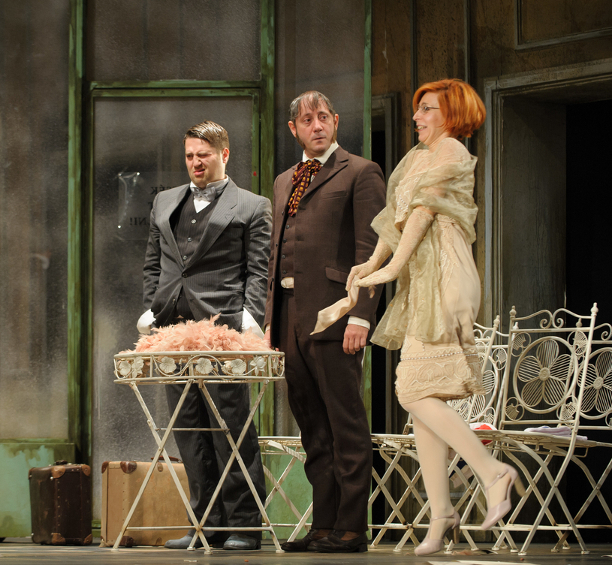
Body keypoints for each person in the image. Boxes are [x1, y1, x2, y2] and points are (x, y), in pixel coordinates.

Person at [349, 79, 523, 556]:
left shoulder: (451, 152)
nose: (417, 117)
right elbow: (396, 218)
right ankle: (441, 512)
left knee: (411, 389)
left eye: (427, 109)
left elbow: (424, 213)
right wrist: (372, 262)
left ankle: (492, 472)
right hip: (421, 279)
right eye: (417, 109)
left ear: (451, 114)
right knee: (422, 397)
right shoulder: (416, 157)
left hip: (445, 274)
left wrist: (390, 270)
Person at [140, 120, 272, 550]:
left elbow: (258, 270)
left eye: (204, 155)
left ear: (224, 154)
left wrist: (250, 318)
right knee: (187, 426)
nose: (195, 163)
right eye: (190, 156)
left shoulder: (252, 206)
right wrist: (153, 306)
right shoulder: (165, 201)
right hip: (173, 328)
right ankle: (205, 524)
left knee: (230, 426)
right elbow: (153, 263)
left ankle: (245, 525)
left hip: (222, 328)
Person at [264, 91, 386, 553]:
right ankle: (323, 525)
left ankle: (351, 527)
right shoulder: (284, 180)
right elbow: (275, 253)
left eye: (323, 118)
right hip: (289, 316)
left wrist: (361, 315)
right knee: (312, 427)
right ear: (293, 129)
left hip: (335, 315)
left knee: (344, 422)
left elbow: (371, 251)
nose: (316, 126)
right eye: (306, 120)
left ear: (335, 121)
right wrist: (271, 322)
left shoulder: (360, 171)